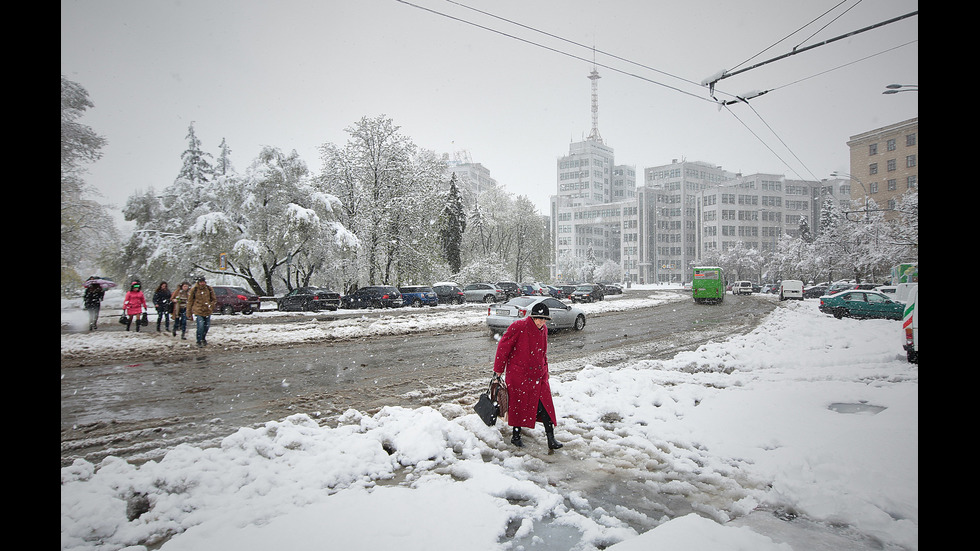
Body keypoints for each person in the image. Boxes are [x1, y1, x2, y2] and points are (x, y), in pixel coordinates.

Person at [492, 302, 563, 450]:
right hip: (520, 375)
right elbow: (503, 347)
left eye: (545, 320)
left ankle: (551, 438)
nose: (542, 322)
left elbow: (543, 352)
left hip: (539, 375)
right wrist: (498, 370)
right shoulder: (519, 326)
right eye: (540, 319)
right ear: (533, 317)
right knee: (518, 406)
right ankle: (516, 436)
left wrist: (546, 369)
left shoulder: (544, 329)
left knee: (546, 406)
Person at [186, 276, 216, 346]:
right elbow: (190, 301)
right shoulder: (194, 290)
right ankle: (198, 340)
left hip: (207, 310)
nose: (202, 283)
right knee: (200, 326)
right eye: (201, 282)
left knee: (207, 326)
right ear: (198, 282)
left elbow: (214, 299)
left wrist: (211, 306)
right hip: (198, 310)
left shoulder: (209, 289)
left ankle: (203, 338)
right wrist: (189, 311)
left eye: (203, 282)